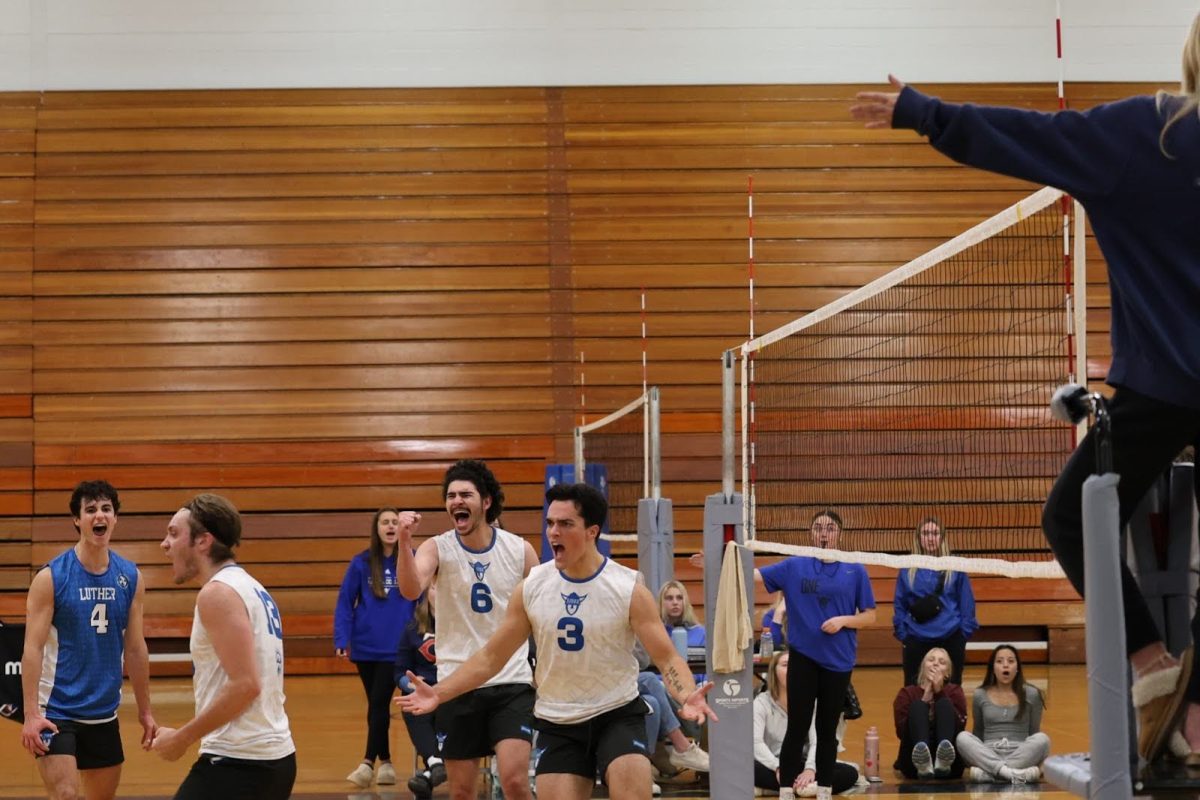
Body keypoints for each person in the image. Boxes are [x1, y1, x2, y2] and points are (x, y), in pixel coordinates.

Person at [850, 14, 1200, 762]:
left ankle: (1152, 667)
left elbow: (1032, 136)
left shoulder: (1148, 135)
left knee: (1074, 516)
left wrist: (924, 113)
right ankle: (1187, 699)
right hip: (1164, 382)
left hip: (1165, 382)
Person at [399, 482, 717, 800]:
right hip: (559, 719)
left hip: (617, 712)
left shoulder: (627, 587)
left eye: (565, 524)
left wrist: (687, 694)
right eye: (550, 523)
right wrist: (438, 694)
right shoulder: (533, 587)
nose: (553, 532)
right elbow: (490, 658)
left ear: (592, 531)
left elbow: (667, 657)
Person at [395, 459, 538, 800]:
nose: (456, 501)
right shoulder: (437, 547)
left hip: (511, 681)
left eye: (465, 494)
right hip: (456, 683)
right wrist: (404, 541)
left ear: (486, 501)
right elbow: (411, 589)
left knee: (514, 780)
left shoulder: (519, 549)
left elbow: (545, 604)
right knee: (461, 790)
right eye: (451, 495)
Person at [152, 493, 296, 800]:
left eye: (174, 534)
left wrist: (181, 738)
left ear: (203, 541)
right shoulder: (252, 588)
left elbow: (246, 684)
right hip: (270, 759)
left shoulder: (217, 594)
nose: (165, 544)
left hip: (241, 763)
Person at [19, 480, 156, 800]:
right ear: (77, 520)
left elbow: (135, 649)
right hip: (57, 712)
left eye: (106, 509)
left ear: (115, 518)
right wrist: (30, 715)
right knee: (66, 794)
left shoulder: (130, 577)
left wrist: (145, 712)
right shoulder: (51, 577)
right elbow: (32, 648)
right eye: (91, 509)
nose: (100, 515)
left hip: (104, 713)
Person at [754, 509, 876, 797]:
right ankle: (785, 791)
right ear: (811, 533)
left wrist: (844, 620)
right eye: (819, 527)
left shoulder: (855, 569)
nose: (824, 533)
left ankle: (823, 790)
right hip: (803, 657)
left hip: (839, 660)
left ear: (839, 534)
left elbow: (870, 616)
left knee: (826, 730)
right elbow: (755, 575)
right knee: (797, 727)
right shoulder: (795, 565)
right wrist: (720, 558)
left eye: (830, 528)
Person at [334, 507, 416, 788]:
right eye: (385, 522)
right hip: (365, 646)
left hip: (396, 647)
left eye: (395, 521)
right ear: (377, 528)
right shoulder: (361, 563)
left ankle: (367, 762)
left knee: (379, 703)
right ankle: (387, 762)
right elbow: (345, 602)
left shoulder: (413, 559)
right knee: (376, 707)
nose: (391, 526)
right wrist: (341, 639)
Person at [753, 651, 859, 796]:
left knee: (849, 773)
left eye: (794, 666)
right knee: (745, 767)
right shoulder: (761, 702)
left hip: (804, 762)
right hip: (772, 764)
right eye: (785, 665)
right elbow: (756, 743)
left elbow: (818, 741)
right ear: (773, 672)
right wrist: (778, 767)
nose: (791, 670)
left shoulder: (813, 702)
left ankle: (778, 788)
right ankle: (802, 788)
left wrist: (810, 768)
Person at [893, 517, 978, 685]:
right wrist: (904, 635)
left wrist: (962, 635)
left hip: (951, 637)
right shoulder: (907, 568)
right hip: (916, 639)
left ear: (942, 537)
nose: (930, 538)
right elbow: (899, 604)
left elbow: (967, 604)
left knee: (951, 693)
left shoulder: (955, 566)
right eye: (925, 533)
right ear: (918, 537)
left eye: (935, 533)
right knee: (914, 692)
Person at [957, 644, 1049, 784]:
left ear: (1017, 668)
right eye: (1000, 661)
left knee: (1042, 739)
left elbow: (1033, 732)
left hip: (1019, 752)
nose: (1005, 665)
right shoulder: (980, 694)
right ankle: (1011, 774)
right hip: (989, 752)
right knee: (962, 737)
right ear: (993, 668)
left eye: (1011, 661)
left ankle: (991, 775)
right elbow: (978, 733)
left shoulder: (1031, 694)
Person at [394, 584, 446, 798]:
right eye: (434, 587)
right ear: (427, 592)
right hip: (424, 692)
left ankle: (428, 773)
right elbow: (398, 671)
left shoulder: (462, 626)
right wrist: (410, 685)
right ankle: (435, 764)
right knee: (410, 704)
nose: (438, 592)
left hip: (453, 692)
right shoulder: (413, 628)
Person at [893, 647, 966, 779]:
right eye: (931, 660)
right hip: (913, 764)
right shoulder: (907, 693)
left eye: (942, 662)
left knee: (944, 704)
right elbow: (901, 732)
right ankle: (923, 762)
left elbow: (960, 726)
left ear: (947, 673)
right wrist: (925, 699)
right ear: (923, 667)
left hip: (951, 766)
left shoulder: (955, 691)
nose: (936, 664)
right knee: (917, 706)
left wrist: (940, 692)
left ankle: (943, 761)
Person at [658, 580, 706, 648]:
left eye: (679, 598)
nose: (675, 602)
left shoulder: (701, 634)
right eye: (669, 598)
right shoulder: (656, 633)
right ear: (661, 603)